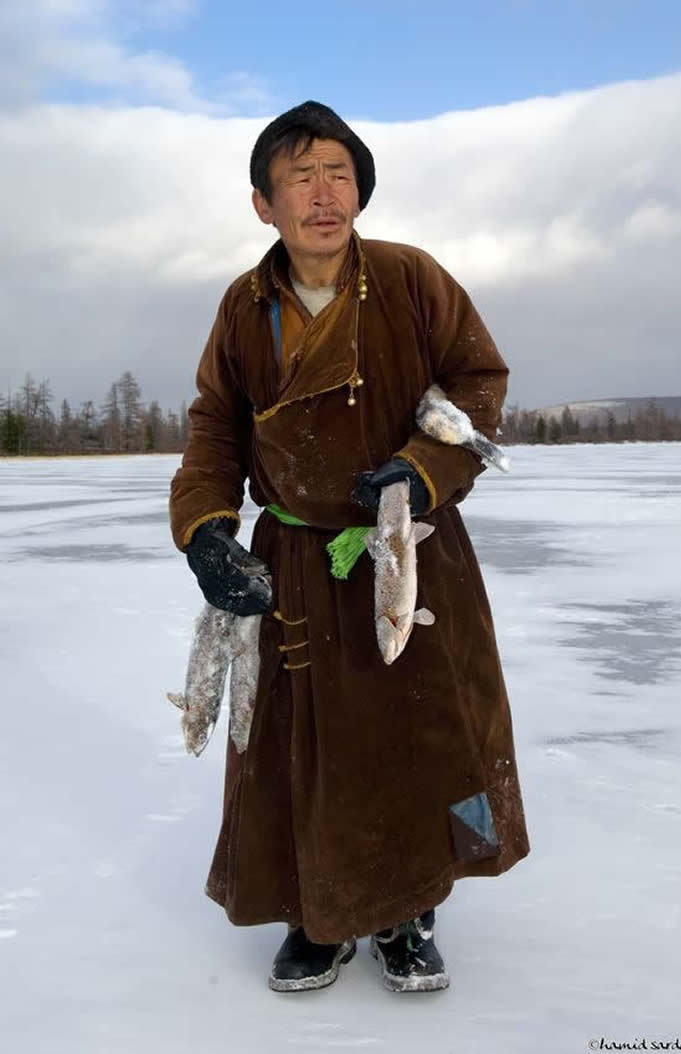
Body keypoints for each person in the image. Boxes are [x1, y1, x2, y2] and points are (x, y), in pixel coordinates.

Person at [169, 100, 530, 994]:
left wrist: (418, 471)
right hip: (293, 562)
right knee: (300, 743)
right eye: (300, 177)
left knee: (415, 733)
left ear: (360, 191)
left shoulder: (411, 279)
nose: (323, 194)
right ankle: (317, 917)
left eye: (338, 173)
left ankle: (408, 912)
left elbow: (476, 383)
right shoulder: (245, 307)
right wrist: (206, 526)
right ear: (265, 204)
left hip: (404, 551)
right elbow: (218, 424)